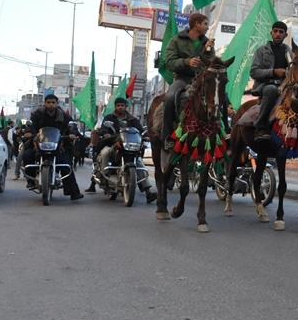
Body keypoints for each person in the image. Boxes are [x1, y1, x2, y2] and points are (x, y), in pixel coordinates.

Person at [86, 97, 157, 203]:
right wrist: (106, 133)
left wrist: (145, 136)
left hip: (128, 146)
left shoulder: (132, 119)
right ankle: (105, 176)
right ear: (115, 106)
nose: (120, 107)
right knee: (105, 153)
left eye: (122, 105)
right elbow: (104, 128)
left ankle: (148, 191)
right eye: (118, 105)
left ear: (125, 107)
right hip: (112, 143)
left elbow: (140, 130)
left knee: (138, 162)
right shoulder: (109, 118)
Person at [161, 13, 216, 150]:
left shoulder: (207, 42)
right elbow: (169, 62)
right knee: (169, 98)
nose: (207, 27)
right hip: (183, 79)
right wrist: (187, 62)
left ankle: (223, 132)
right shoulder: (177, 40)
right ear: (196, 24)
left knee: (221, 97)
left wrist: (209, 52)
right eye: (205, 24)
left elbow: (211, 64)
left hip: (201, 80)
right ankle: (167, 137)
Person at [22, 93, 83, 200]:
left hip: (58, 145)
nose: (51, 105)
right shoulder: (38, 114)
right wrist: (28, 132)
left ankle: (73, 192)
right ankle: (31, 181)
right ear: (45, 103)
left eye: (53, 102)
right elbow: (31, 125)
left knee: (66, 163)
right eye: (48, 102)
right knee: (27, 155)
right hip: (39, 143)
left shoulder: (63, 115)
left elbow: (72, 125)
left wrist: (72, 133)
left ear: (56, 104)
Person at [250, 21, 291, 141]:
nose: (278, 34)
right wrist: (273, 72)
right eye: (275, 31)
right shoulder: (261, 51)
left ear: (285, 35)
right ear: (271, 33)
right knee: (271, 90)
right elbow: (254, 72)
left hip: (285, 87)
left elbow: (293, 70)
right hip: (265, 86)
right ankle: (260, 127)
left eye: (281, 32)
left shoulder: (289, 52)